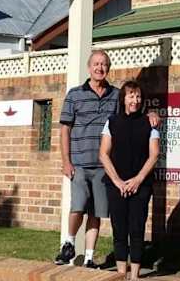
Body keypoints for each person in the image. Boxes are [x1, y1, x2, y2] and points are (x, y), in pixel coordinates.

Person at [55, 50, 158, 267]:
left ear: (108, 68)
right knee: (78, 206)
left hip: (105, 166)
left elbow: (132, 112)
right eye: (96, 64)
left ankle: (89, 257)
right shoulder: (74, 95)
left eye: (103, 64)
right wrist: (66, 161)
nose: (99, 68)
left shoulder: (116, 95)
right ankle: (69, 242)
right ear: (89, 67)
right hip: (80, 162)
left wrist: (151, 115)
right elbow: (65, 129)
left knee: (97, 211)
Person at [99, 80, 160, 280]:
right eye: (131, 96)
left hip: (141, 186)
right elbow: (103, 154)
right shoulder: (111, 122)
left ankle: (134, 275)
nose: (135, 100)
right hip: (115, 185)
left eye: (138, 96)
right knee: (119, 229)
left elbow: (154, 155)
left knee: (136, 229)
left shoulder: (150, 122)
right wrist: (117, 181)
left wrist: (137, 180)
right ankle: (120, 273)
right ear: (123, 99)